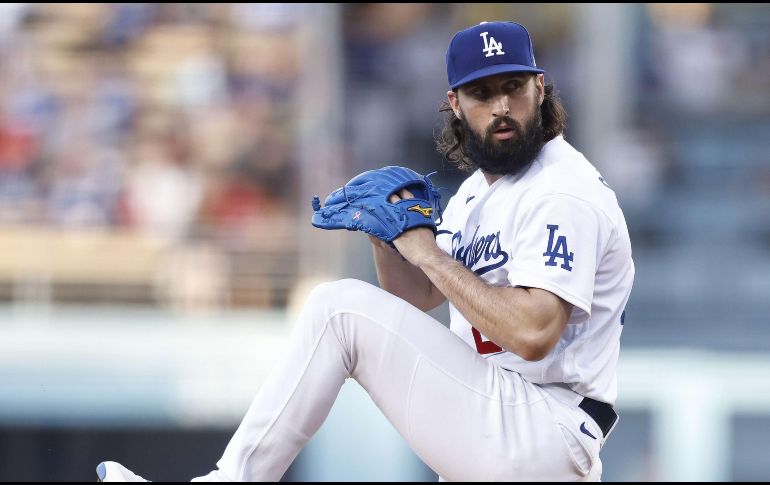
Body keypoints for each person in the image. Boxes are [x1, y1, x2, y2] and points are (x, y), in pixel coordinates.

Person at [97, 20, 634, 482]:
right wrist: (387, 236)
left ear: (540, 88)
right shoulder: (477, 192)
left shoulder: (561, 190)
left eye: (513, 86)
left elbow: (534, 333)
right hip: (498, 425)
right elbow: (419, 297)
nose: (500, 106)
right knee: (348, 316)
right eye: (481, 92)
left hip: (543, 423)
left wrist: (424, 250)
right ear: (454, 103)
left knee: (337, 310)